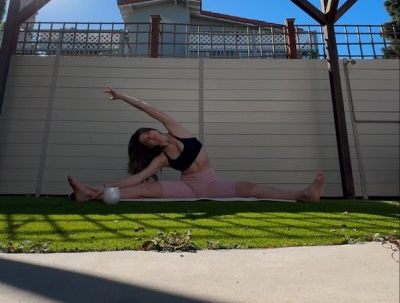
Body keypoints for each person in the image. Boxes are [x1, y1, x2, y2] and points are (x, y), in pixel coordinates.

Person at [68, 86, 324, 202]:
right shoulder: (162, 159)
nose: (151, 137)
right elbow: (136, 178)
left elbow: (148, 108)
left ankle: (303, 195)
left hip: (212, 184)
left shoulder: (176, 129)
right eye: (146, 141)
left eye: (148, 133)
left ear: (154, 129)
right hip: (188, 189)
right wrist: (105, 186)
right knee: (143, 189)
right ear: (149, 147)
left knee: (251, 187)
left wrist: (122, 96)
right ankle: (91, 194)